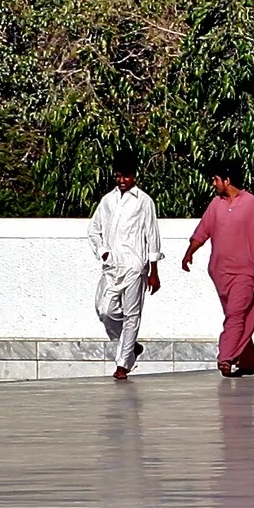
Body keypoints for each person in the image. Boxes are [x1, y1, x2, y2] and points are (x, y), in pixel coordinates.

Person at [182, 164, 254, 377]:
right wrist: (189, 253)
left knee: (236, 315)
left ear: (227, 180)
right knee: (239, 317)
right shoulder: (215, 204)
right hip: (220, 272)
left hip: (246, 272)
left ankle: (226, 358)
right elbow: (203, 231)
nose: (213, 184)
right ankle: (248, 361)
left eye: (216, 179)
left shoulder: (253, 205)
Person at [88, 153, 162, 381]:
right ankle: (131, 347)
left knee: (132, 315)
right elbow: (94, 230)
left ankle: (123, 364)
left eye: (126, 176)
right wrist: (103, 252)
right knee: (105, 310)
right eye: (118, 176)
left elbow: (152, 235)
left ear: (134, 176)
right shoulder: (107, 201)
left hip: (135, 266)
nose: (122, 181)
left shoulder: (144, 201)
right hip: (112, 268)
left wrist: (153, 271)